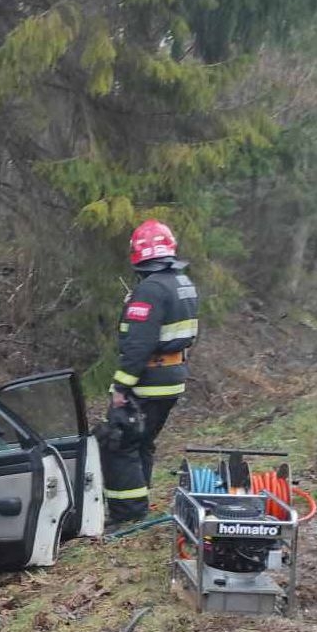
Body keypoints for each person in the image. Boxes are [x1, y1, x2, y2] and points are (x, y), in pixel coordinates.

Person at [103, 219, 200, 525]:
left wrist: (121, 388)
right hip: (173, 377)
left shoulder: (150, 289)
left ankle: (128, 514)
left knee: (120, 443)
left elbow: (138, 345)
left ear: (137, 253)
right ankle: (138, 505)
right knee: (142, 442)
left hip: (149, 381)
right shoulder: (181, 283)